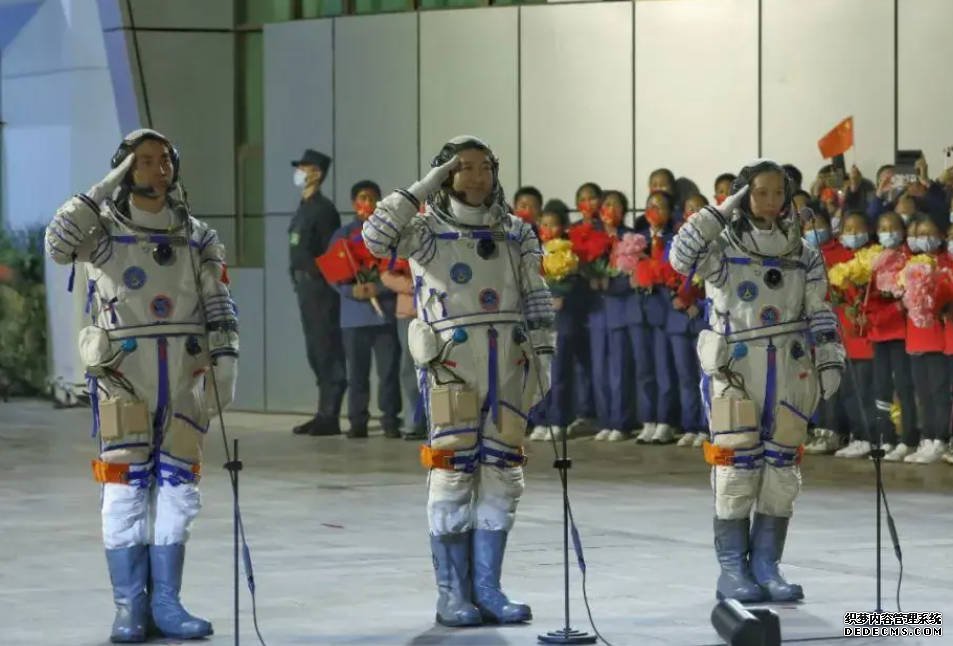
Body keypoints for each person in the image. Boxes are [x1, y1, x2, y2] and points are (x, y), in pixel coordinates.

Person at [46, 129, 237, 641]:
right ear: (125, 169)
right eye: (143, 162)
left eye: (163, 161)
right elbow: (57, 242)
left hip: (183, 374)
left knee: (178, 485)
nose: (157, 170)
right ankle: (130, 607)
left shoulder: (196, 235)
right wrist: (105, 185)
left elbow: (217, 298)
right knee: (125, 488)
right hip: (124, 379)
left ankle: (168, 604)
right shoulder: (100, 233)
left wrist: (226, 356)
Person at [362, 135, 553, 626]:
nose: (476, 176)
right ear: (445, 174)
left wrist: (545, 355)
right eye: (463, 167)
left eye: (484, 166)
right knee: (451, 476)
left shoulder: (516, 232)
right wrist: (423, 187)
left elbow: (535, 294)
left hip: (510, 366)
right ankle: (452, 593)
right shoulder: (424, 232)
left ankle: (488, 588)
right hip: (452, 369)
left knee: (504, 476)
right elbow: (375, 238)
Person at [670, 159, 845, 603]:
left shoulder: (802, 253)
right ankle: (732, 570)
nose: (770, 201)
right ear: (744, 195)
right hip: (736, 370)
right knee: (735, 470)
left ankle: (767, 566)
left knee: (782, 471)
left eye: (777, 193)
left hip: (789, 368)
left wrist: (830, 359)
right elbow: (679, 258)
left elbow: (820, 308)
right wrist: (721, 209)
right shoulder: (724, 249)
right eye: (759, 192)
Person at [331, 180, 401, 439]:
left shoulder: (390, 234)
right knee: (357, 375)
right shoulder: (342, 235)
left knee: (388, 374)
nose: (368, 203)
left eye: (373, 198)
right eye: (362, 198)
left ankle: (391, 420)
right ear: (353, 203)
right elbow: (333, 274)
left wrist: (378, 289)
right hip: (353, 318)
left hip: (385, 316)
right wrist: (352, 291)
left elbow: (399, 268)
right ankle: (357, 422)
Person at [289, 149, 347, 436]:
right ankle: (322, 411)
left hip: (320, 288)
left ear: (317, 173)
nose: (299, 171)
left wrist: (319, 280)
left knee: (326, 348)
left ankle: (330, 414)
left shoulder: (324, 210)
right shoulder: (303, 207)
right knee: (315, 350)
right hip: (304, 287)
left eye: (304, 167)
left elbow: (331, 253)